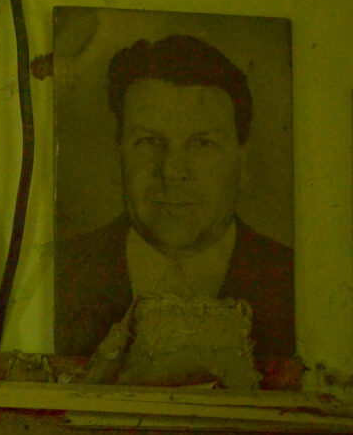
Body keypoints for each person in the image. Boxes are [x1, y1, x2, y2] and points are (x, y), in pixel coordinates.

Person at [55, 34, 295, 358]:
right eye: (149, 141)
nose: (171, 171)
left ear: (243, 163)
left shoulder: (296, 280)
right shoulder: (59, 275)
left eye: (202, 144)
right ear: (119, 155)